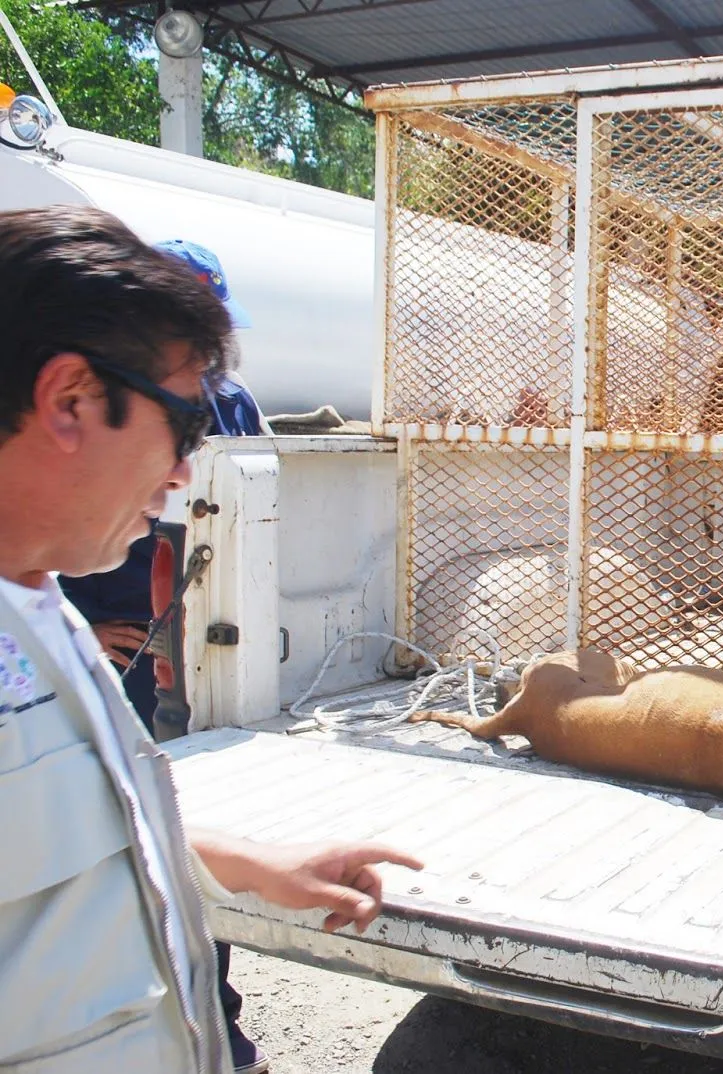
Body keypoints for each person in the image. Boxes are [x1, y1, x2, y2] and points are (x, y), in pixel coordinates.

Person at [0, 204, 424, 1074]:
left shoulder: (43, 611)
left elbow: (75, 830)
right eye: (186, 427)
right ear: (71, 399)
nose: (188, 473)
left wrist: (256, 865)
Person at [56, 237, 275, 1072]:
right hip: (130, 638)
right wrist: (108, 632)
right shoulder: (43, 604)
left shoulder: (233, 405)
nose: (180, 469)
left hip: (187, 635)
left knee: (172, 803)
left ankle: (217, 1023)